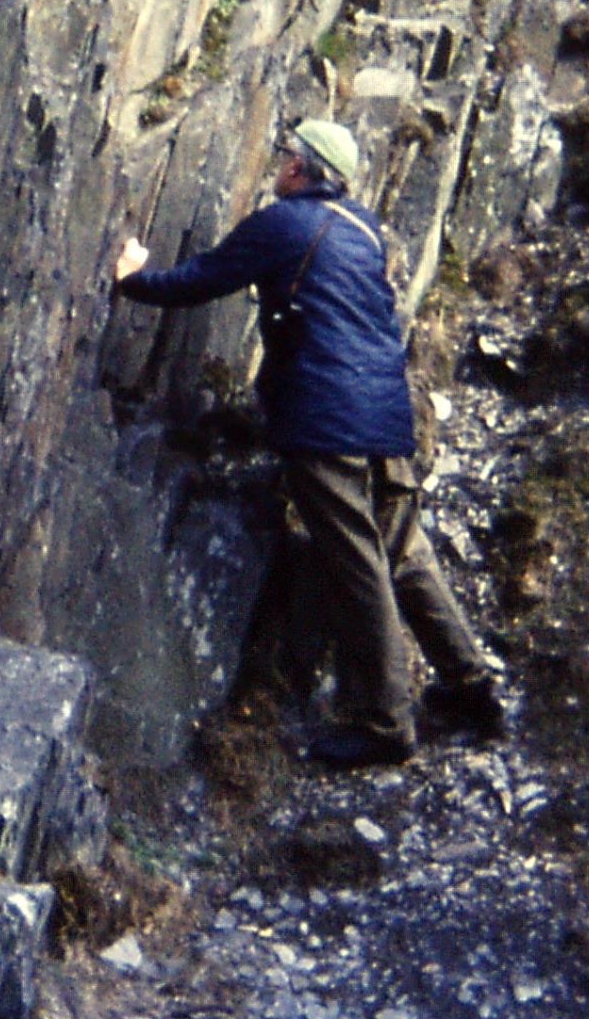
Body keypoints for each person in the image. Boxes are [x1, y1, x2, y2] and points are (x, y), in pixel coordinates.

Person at [113, 118, 504, 768]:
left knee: (358, 566)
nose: (278, 162)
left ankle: (386, 725)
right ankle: (474, 690)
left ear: (300, 168)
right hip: (387, 416)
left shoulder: (283, 224)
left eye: (285, 153)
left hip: (327, 421)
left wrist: (133, 278)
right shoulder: (365, 230)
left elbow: (199, 280)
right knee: (405, 553)